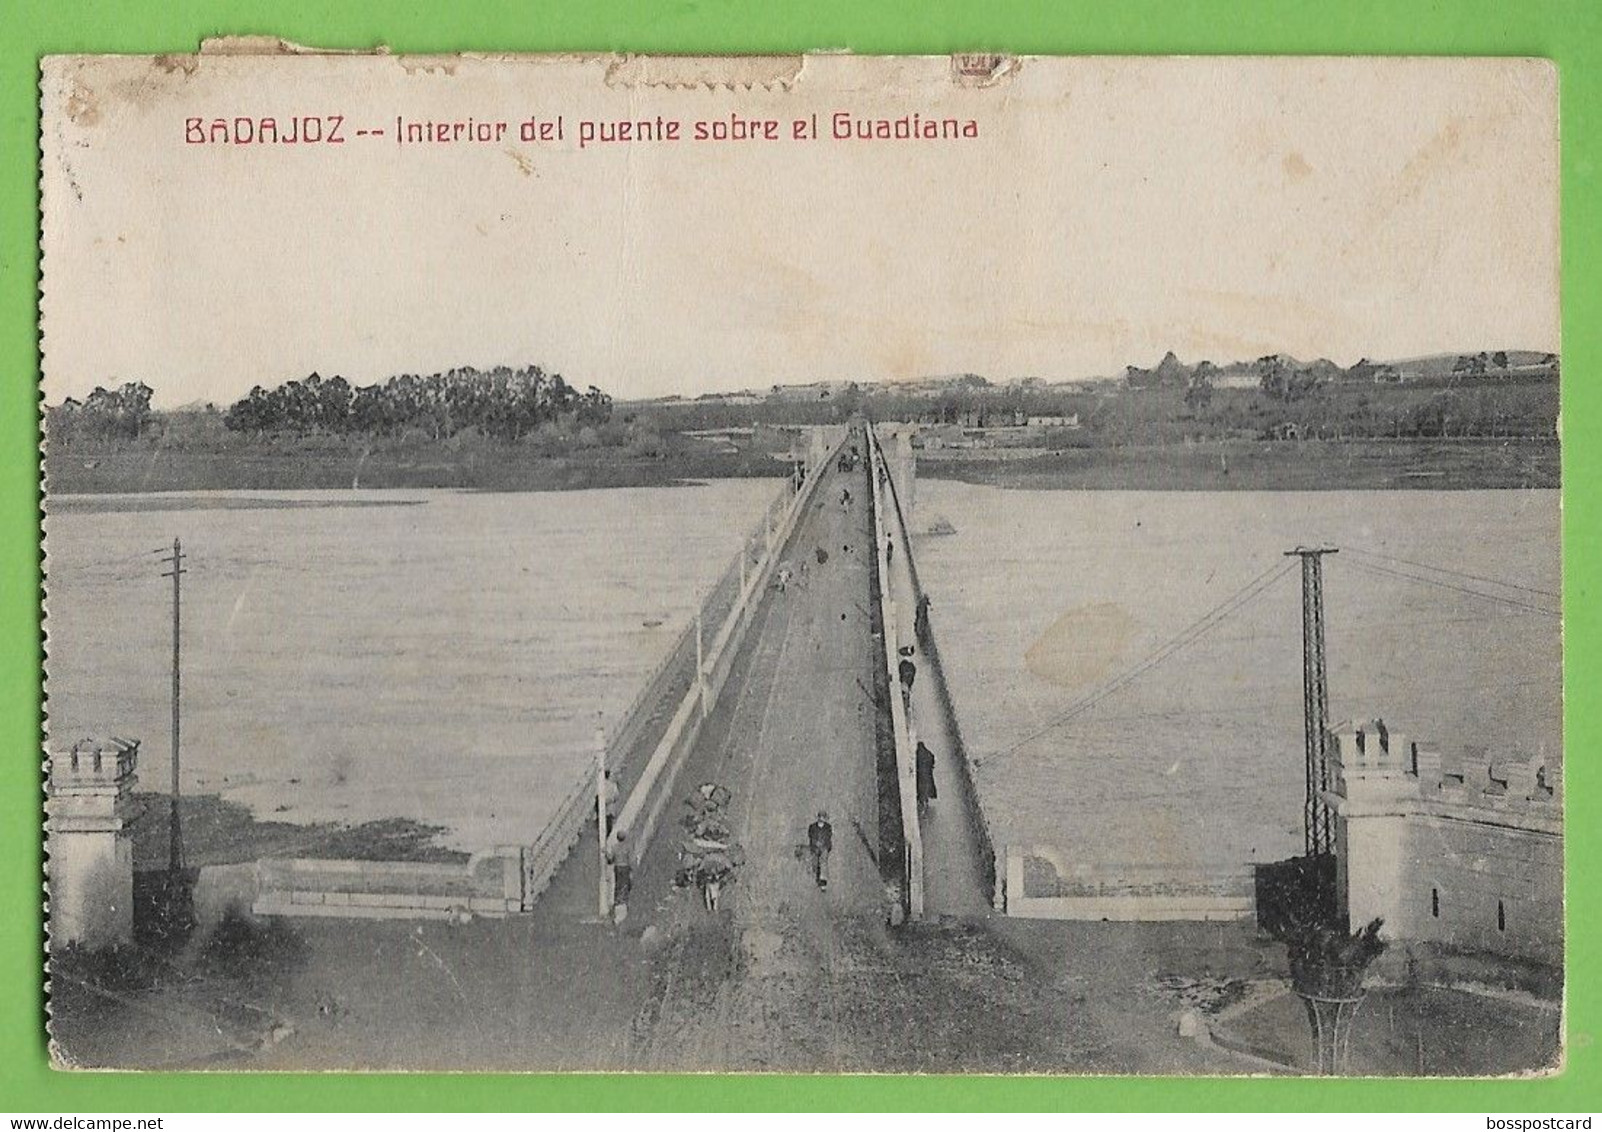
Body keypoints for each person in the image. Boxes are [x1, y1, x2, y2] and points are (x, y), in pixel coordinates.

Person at [607, 831, 633, 925]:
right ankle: (624, 902)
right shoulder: (627, 847)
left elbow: (610, 860)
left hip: (618, 868)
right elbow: (630, 859)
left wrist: (605, 852)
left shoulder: (614, 847)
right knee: (626, 884)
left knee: (618, 885)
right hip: (625, 867)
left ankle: (617, 902)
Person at [807, 810, 833, 889]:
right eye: (820, 817)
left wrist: (825, 845)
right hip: (815, 847)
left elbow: (829, 837)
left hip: (824, 847)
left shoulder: (828, 827)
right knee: (815, 864)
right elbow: (810, 836)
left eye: (823, 818)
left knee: (823, 863)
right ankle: (818, 875)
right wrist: (815, 843)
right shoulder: (812, 827)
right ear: (818, 818)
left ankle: (823, 882)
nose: (822, 819)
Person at [915, 740, 938, 815]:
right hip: (928, 775)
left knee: (921, 789)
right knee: (928, 787)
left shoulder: (918, 754)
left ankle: (922, 803)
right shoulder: (927, 753)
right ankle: (926, 801)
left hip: (921, 776)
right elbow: (932, 758)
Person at [602, 769, 620, 833]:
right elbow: (616, 796)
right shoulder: (613, 785)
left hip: (601, 807)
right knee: (609, 824)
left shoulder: (601, 784)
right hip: (609, 808)